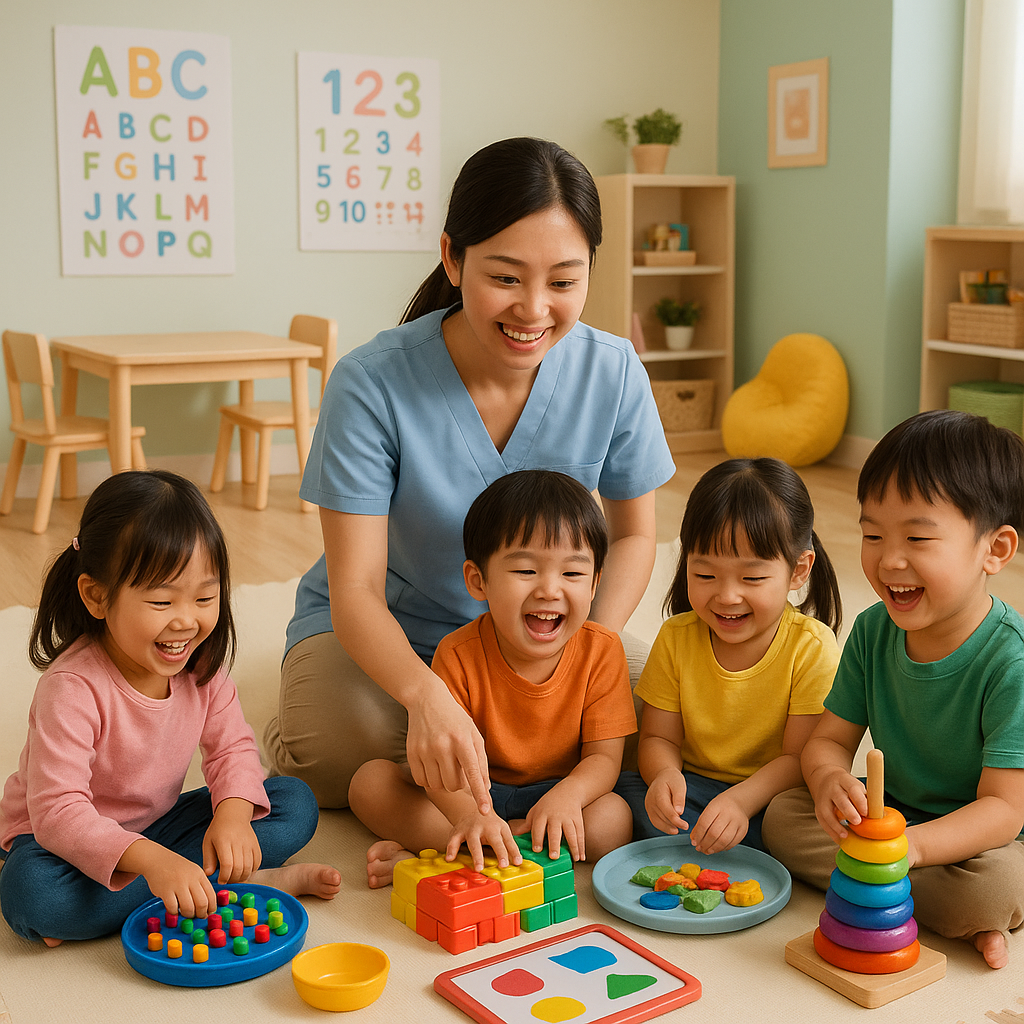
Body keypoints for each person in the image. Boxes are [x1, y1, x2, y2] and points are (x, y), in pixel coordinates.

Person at [263, 137, 676, 811]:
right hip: (396, 632)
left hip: (546, 628)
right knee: (336, 754)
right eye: (506, 278)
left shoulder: (615, 369)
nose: (534, 310)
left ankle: (486, 763)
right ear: (453, 259)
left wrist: (577, 654)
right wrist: (427, 696)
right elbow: (357, 586)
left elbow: (633, 539)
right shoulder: (371, 383)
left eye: (564, 282)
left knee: (653, 728)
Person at [0, 471, 340, 945]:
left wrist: (232, 818)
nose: (186, 619)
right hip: (61, 846)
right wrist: (156, 862)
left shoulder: (200, 669)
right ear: (97, 596)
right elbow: (59, 814)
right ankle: (229, 883)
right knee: (31, 895)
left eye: (205, 597)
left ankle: (163, 892)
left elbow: (232, 751)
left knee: (294, 802)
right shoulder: (71, 688)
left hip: (159, 828)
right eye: (161, 600)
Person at [761, 410, 1024, 970]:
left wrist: (913, 851)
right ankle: (920, 905)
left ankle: (931, 901)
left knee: (992, 886)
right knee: (782, 816)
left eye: (919, 538)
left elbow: (1003, 809)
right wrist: (830, 778)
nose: (888, 559)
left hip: (984, 840)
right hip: (895, 815)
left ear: (994, 551)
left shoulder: (1012, 660)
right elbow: (828, 742)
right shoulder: (873, 629)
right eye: (872, 534)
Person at [349, 471, 637, 888]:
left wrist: (568, 797)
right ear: (477, 581)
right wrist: (471, 815)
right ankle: (482, 844)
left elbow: (604, 760)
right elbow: (441, 770)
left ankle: (457, 857)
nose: (549, 590)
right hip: (474, 793)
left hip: (558, 792)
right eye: (525, 570)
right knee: (369, 784)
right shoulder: (458, 652)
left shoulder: (603, 649)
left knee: (612, 821)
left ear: (595, 583)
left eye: (572, 575)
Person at [622, 457, 842, 855]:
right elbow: (657, 736)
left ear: (798, 570)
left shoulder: (811, 647)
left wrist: (742, 801)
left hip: (772, 795)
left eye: (752, 578)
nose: (726, 597)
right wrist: (664, 776)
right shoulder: (676, 637)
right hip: (692, 788)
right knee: (621, 799)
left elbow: (799, 759)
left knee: (801, 823)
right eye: (705, 575)